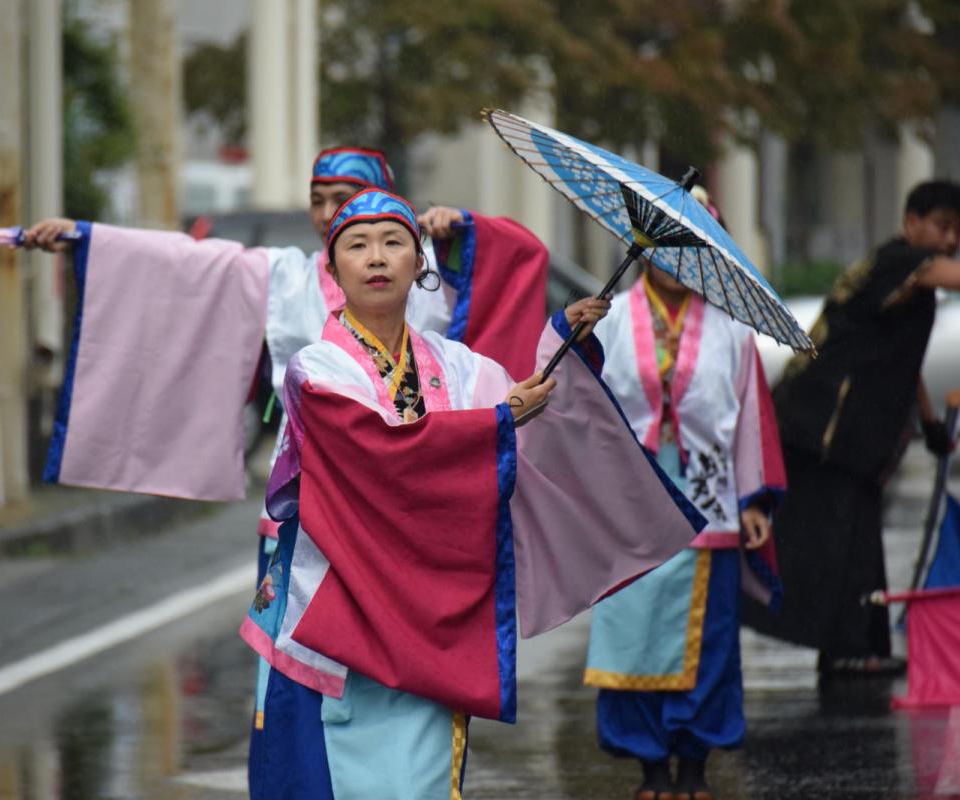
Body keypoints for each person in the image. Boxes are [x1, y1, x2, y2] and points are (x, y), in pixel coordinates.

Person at [241, 188, 707, 799]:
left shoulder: (455, 364)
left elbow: (524, 423)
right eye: (357, 245)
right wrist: (495, 422)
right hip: (336, 605)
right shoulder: (316, 369)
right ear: (333, 268)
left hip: (428, 608)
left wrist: (561, 348)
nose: (376, 257)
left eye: (393, 242)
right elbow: (376, 451)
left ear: (419, 262)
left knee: (418, 778)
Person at [22, 145, 549, 576]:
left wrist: (466, 231)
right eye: (317, 201)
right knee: (298, 648)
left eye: (343, 198)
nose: (326, 214)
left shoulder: (424, 272)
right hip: (312, 489)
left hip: (409, 488)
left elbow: (511, 268)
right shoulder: (290, 277)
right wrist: (89, 239)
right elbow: (186, 263)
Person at [580, 191, 786, 800]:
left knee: (709, 638)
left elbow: (751, 418)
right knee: (631, 630)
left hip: (708, 498)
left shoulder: (731, 331)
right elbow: (581, 410)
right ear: (643, 246)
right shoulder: (610, 319)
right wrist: (574, 339)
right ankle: (649, 766)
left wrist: (753, 500)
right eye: (665, 243)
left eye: (690, 246)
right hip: (629, 498)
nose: (676, 258)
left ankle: (693, 763)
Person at [742, 180, 960, 677]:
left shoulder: (908, 282)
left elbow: (904, 363)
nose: (951, 241)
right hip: (822, 426)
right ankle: (848, 648)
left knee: (853, 534)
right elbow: (945, 274)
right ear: (912, 223)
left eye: (958, 232)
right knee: (833, 538)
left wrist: (929, 423)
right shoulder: (900, 261)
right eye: (943, 227)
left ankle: (856, 647)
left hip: (839, 434)